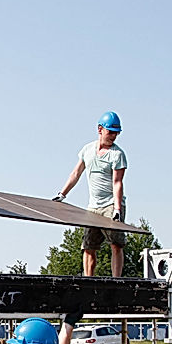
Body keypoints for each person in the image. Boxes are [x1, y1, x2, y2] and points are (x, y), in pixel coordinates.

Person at [53, 111, 129, 277]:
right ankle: (88, 280)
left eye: (117, 133)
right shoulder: (87, 150)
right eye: (111, 132)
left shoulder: (117, 155)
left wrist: (117, 209)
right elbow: (76, 173)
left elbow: (117, 182)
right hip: (93, 207)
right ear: (100, 129)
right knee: (88, 246)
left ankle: (116, 280)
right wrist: (62, 194)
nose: (114, 136)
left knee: (116, 244)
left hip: (111, 205)